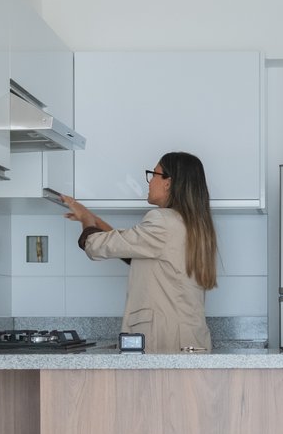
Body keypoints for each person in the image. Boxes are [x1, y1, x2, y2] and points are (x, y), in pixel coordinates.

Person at [59, 151, 218, 353]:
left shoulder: (162, 221)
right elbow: (130, 247)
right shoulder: (195, 226)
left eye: (154, 174)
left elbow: (95, 246)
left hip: (165, 341)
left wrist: (85, 220)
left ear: (168, 182)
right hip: (190, 340)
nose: (150, 181)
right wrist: (92, 218)